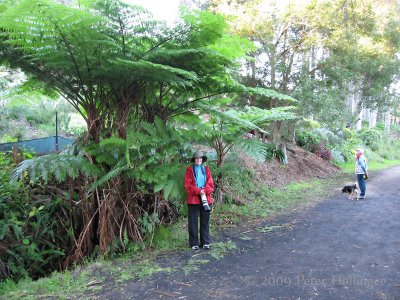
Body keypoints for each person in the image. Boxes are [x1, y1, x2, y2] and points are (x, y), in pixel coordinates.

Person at [184, 151, 214, 250]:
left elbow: (210, 185)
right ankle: (194, 243)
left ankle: (205, 242)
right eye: (197, 158)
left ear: (202, 159)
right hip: (193, 199)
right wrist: (198, 191)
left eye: (200, 158)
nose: (199, 160)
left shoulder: (206, 169)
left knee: (205, 220)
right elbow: (188, 186)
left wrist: (204, 191)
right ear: (194, 160)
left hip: (206, 198)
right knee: (193, 221)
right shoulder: (189, 170)